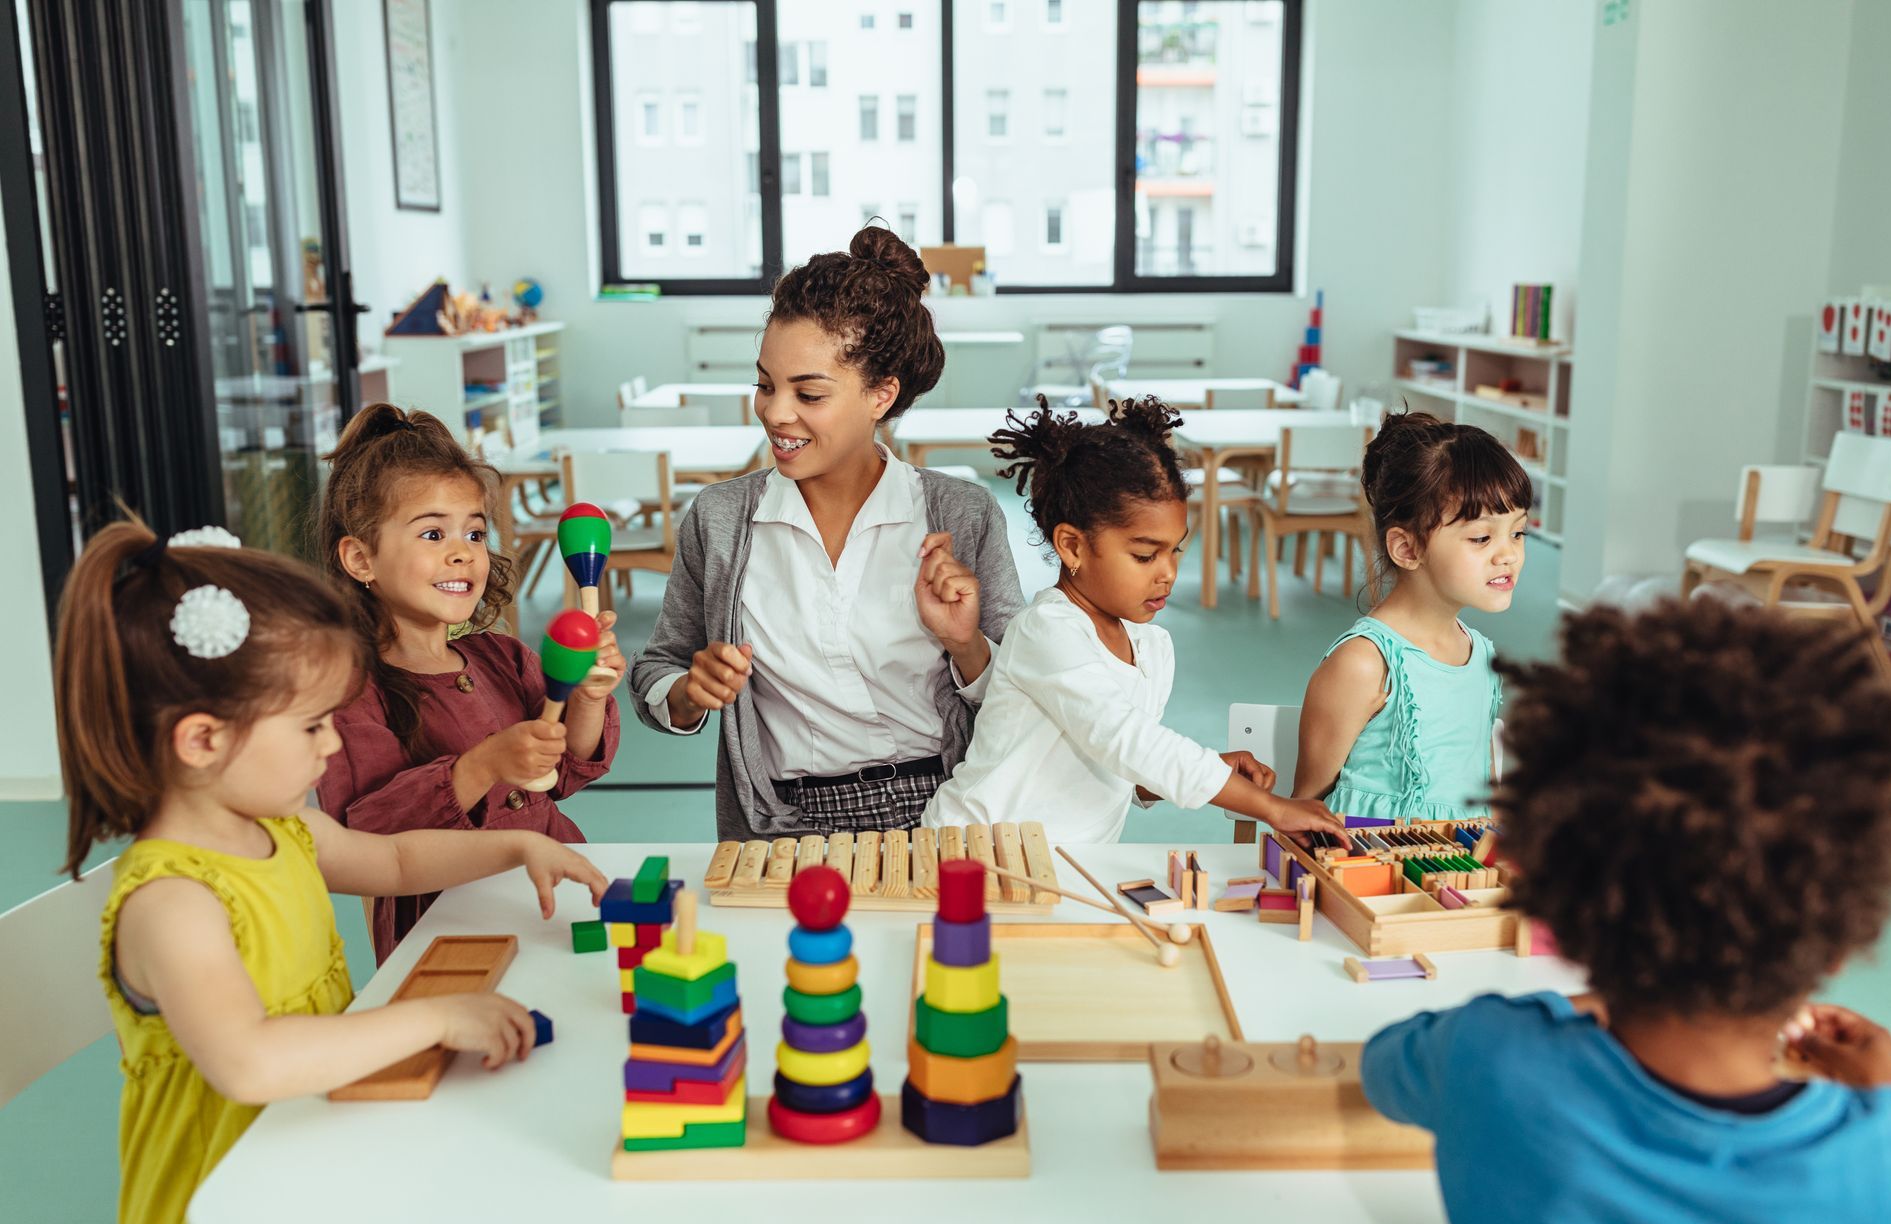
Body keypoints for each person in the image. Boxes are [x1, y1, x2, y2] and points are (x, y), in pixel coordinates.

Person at [56, 521, 605, 1224]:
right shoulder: (172, 902)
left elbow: (397, 855)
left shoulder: (286, 829)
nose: (329, 747)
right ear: (202, 741)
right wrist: (436, 1017)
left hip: (314, 1149)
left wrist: (516, 845)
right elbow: (248, 1063)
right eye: (311, 725)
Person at [1363, 598, 1891, 1224]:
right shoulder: (1890, 1162)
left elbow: (1383, 1067)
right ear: (1839, 941)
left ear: (1565, 915)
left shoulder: (1490, 1056)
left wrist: (1564, 1014)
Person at [630, 225, 1022, 838]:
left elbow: (1024, 700)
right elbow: (658, 670)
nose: (774, 412)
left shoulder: (961, 515)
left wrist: (966, 644)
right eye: (765, 384)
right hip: (778, 823)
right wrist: (688, 691)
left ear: (880, 395)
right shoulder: (720, 519)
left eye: (808, 393)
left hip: (950, 811)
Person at [923, 397, 1348, 847]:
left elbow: (1121, 767)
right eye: (1145, 555)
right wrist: (1273, 808)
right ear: (1071, 546)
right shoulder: (1047, 630)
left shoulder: (1152, 647)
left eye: (1176, 550)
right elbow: (1127, 740)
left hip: (1065, 865)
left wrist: (1217, 770)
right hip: (973, 853)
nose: (1167, 572)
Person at [314, 404, 623, 961]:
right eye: (433, 533)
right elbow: (362, 836)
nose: (462, 552)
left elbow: (566, 770)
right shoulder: (351, 693)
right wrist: (482, 765)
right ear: (361, 558)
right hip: (444, 928)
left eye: (475, 533)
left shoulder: (502, 656)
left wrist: (587, 697)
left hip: (548, 897)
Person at [1295, 411, 1530, 820]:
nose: (1508, 554)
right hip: (1368, 875)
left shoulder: (1482, 657)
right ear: (1407, 549)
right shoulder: (1364, 664)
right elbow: (1302, 813)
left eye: (1518, 532)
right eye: (1481, 537)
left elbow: (1484, 801)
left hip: (1459, 876)